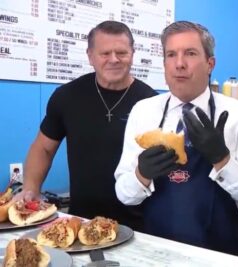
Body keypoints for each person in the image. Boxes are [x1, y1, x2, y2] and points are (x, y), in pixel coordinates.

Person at [115, 21, 238, 259]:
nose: (179, 64)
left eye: (190, 53)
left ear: (210, 64)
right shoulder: (143, 111)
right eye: (171, 54)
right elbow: (124, 194)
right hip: (157, 254)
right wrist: (141, 174)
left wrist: (223, 161)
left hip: (221, 255)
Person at [20, 21, 156, 231]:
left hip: (141, 225)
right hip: (81, 222)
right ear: (90, 56)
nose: (114, 60)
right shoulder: (67, 97)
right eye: (105, 53)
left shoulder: (150, 102)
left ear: (132, 53)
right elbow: (43, 148)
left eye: (121, 52)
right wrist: (31, 189)